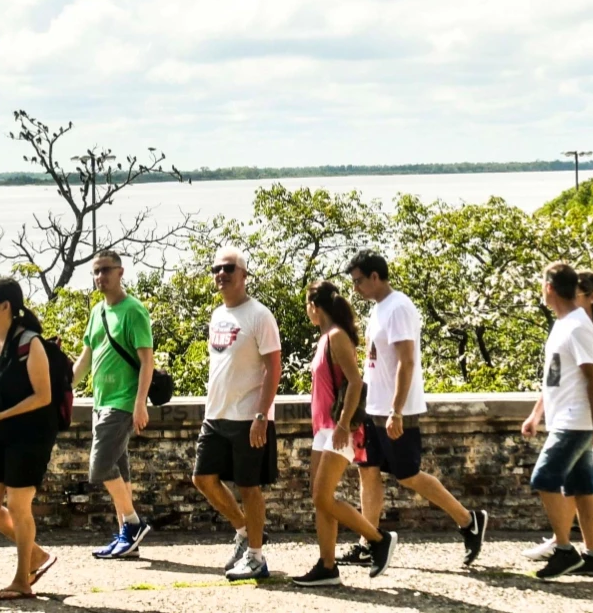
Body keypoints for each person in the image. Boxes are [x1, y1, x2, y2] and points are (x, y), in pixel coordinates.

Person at [338, 251, 487, 569]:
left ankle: (469, 520)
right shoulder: (378, 310)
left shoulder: (399, 307)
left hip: (396, 409)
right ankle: (369, 541)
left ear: (376, 276)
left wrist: (397, 410)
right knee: (368, 472)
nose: (356, 288)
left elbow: (407, 361)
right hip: (375, 407)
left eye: (359, 281)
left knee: (407, 474)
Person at [293, 281, 397, 587]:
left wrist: (342, 425)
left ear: (315, 305)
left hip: (340, 430)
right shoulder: (325, 338)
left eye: (307, 305)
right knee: (321, 499)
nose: (307, 311)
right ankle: (327, 566)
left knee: (322, 496)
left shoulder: (337, 337)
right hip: (322, 430)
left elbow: (355, 382)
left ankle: (378, 539)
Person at [193, 247, 284, 582]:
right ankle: (245, 533)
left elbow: (274, 366)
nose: (222, 273)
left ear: (244, 274)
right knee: (202, 479)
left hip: (249, 417)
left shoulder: (260, 315)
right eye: (216, 268)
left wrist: (262, 415)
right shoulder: (218, 315)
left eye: (229, 268)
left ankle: (257, 558)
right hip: (216, 415)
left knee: (249, 487)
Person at [520, 262, 593, 581]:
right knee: (581, 486)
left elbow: (592, 378)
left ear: (549, 288)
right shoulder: (562, 324)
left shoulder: (578, 326)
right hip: (564, 417)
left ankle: (564, 551)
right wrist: (536, 413)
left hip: (577, 420)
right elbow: (555, 377)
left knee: (544, 478)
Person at [0, 277, 59, 600]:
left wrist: (0, 417)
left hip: (32, 432)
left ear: (5, 306)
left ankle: (22, 580)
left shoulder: (30, 342)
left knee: (19, 505)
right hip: (0, 429)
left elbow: (43, 396)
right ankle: (36, 555)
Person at [75, 251, 157, 560]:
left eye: (106, 270)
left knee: (100, 467)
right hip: (100, 402)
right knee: (119, 472)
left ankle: (133, 524)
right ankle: (127, 539)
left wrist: (140, 403)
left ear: (121, 272)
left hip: (122, 402)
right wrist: (63, 390)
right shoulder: (97, 311)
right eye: (96, 271)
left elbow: (147, 360)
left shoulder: (134, 311)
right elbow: (85, 359)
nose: (100, 277)